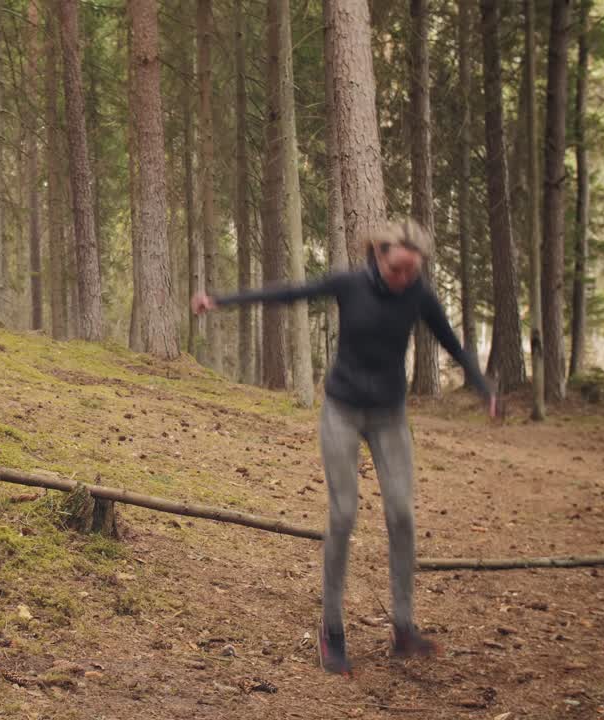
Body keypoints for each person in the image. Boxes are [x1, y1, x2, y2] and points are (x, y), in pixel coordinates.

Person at [192, 219, 496, 676]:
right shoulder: (349, 283)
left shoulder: (419, 294)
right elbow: (289, 293)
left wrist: (482, 385)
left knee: (402, 513)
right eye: (397, 269)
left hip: (390, 416)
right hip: (342, 410)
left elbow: (451, 341)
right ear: (379, 256)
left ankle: (403, 626)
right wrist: (221, 300)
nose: (403, 278)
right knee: (343, 514)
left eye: (411, 272)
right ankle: (331, 631)